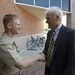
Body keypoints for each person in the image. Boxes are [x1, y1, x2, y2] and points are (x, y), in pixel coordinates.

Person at [41, 6, 75, 75]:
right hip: (48, 71)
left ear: (57, 18)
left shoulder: (71, 33)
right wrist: (39, 56)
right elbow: (46, 50)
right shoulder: (49, 33)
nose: (46, 22)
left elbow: (72, 61)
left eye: (48, 19)